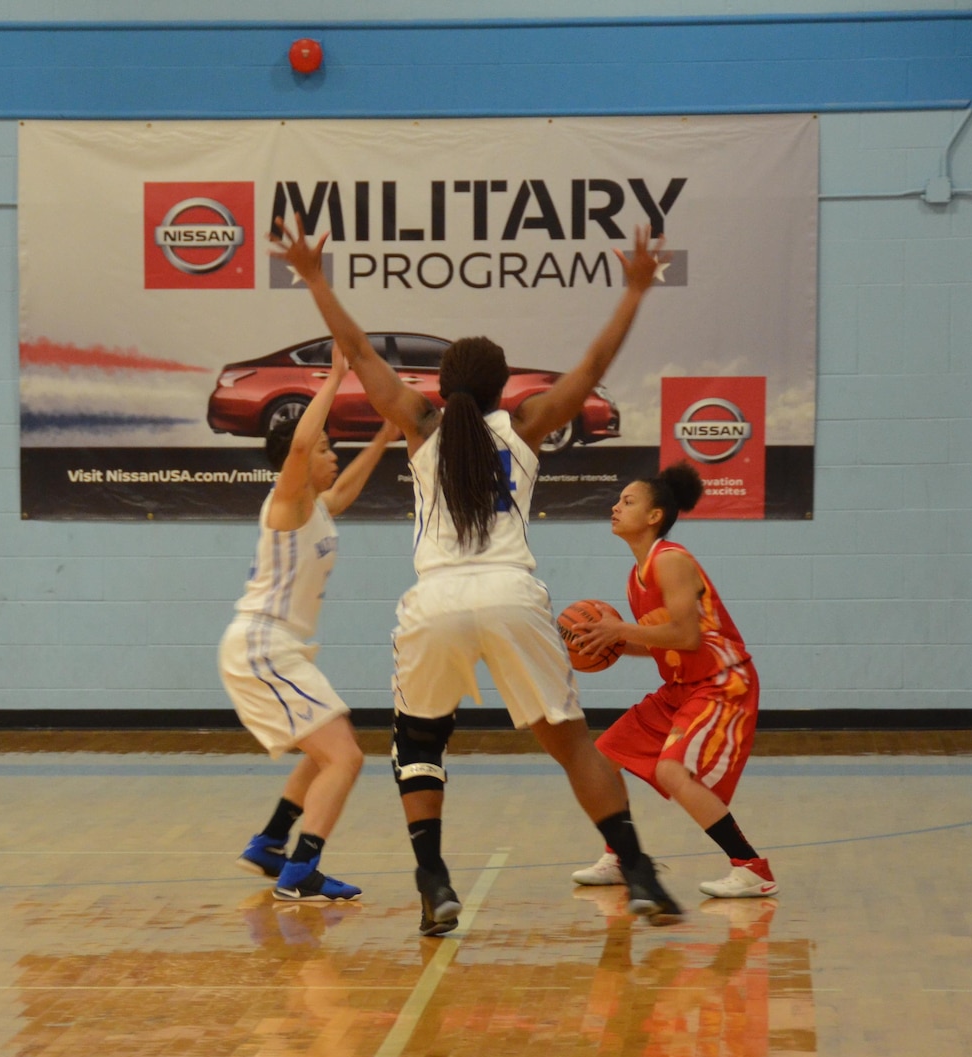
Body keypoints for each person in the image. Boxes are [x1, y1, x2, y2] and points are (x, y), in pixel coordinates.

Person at [273, 213, 682, 934]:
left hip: (436, 600)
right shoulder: (524, 427)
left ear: (443, 385)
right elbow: (591, 367)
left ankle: (434, 881)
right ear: (502, 389)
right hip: (510, 592)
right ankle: (638, 869)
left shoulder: (418, 426)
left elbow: (361, 349)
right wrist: (636, 292)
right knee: (571, 742)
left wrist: (312, 277)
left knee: (419, 744)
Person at [223, 343, 395, 903]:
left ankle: (270, 843)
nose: (331, 455)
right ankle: (301, 871)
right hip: (261, 644)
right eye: (326, 448)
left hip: (279, 646)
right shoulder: (287, 500)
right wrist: (338, 376)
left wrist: (387, 435)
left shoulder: (316, 506)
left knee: (325, 753)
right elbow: (300, 441)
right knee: (344, 756)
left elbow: (345, 491)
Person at [567, 465, 775, 898]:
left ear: (654, 516)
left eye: (628, 501)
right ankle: (622, 856)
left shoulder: (672, 560)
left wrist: (620, 632)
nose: (615, 506)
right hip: (682, 686)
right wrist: (611, 643)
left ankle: (752, 867)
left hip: (722, 682)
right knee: (600, 760)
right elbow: (665, 644)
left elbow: (687, 636)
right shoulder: (636, 574)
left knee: (672, 770)